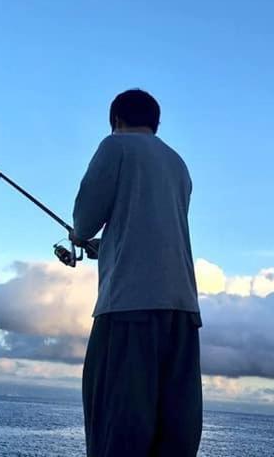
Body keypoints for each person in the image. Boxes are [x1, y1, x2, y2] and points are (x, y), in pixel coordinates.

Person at [70, 89, 202, 457]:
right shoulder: (179, 164)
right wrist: (107, 248)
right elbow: (145, 226)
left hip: (128, 309)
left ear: (116, 120)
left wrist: (80, 237)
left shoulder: (116, 146)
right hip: (184, 312)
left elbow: (84, 220)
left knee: (118, 425)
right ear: (155, 123)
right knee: (173, 431)